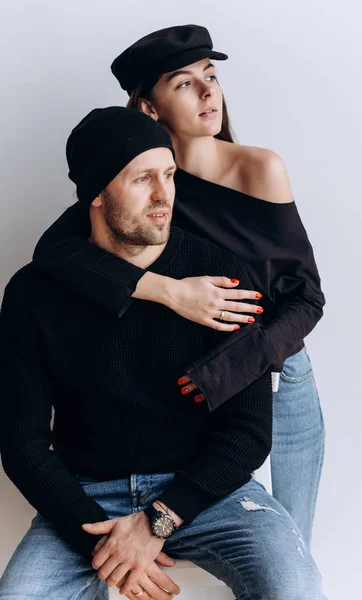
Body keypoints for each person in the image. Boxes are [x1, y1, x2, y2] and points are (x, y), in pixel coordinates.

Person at [0, 107, 325, 600]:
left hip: (212, 493)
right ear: (96, 192)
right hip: (88, 498)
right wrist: (104, 542)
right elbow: (23, 446)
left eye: (169, 175)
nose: (163, 195)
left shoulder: (223, 278)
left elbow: (249, 433)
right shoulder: (33, 294)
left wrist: (158, 520)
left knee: (296, 589)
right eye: (142, 179)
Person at [32, 25, 326, 545]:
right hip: (187, 390)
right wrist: (167, 290)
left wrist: (233, 365)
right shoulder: (143, 183)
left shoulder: (260, 169)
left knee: (290, 542)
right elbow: (54, 254)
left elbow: (306, 296)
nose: (209, 92)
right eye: (185, 83)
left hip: (278, 376)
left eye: (211, 77)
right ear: (149, 108)